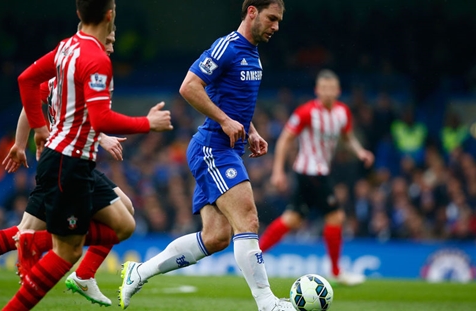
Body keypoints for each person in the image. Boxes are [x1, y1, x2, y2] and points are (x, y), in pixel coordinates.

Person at [0, 25, 145, 307]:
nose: (111, 45)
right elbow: (52, 105)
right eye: (108, 39)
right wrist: (23, 143)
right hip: (65, 161)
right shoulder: (82, 69)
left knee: (122, 210)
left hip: (69, 159)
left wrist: (22, 143)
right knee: (34, 233)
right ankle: (79, 273)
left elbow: (37, 102)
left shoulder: (67, 70)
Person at [118, 1, 291, 311]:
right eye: (272, 18)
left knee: (215, 238)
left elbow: (233, 101)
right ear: (252, 11)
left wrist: (250, 131)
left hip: (227, 148)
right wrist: (225, 121)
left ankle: (139, 272)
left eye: (279, 20)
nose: (276, 26)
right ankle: (268, 304)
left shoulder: (253, 55)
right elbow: (189, 86)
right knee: (248, 219)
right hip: (213, 147)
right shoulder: (227, 47)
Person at [7, 0, 172, 308]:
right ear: (110, 15)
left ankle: (44, 248)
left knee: (124, 225)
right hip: (68, 163)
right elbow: (101, 119)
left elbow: (25, 79)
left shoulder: (67, 47)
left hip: (69, 160)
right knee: (67, 251)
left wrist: (40, 128)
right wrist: (148, 123)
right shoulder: (96, 58)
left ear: (79, 13)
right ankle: (28, 262)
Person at [258, 69, 374, 285]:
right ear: (317, 90)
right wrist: (277, 171)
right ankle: (337, 272)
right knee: (336, 217)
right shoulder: (306, 112)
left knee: (292, 219)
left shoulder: (342, 112)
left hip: (318, 173)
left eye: (332, 88)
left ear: (338, 91)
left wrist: (360, 152)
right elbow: (285, 139)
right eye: (324, 88)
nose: (328, 92)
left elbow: (347, 138)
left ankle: (255, 255)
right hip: (311, 173)